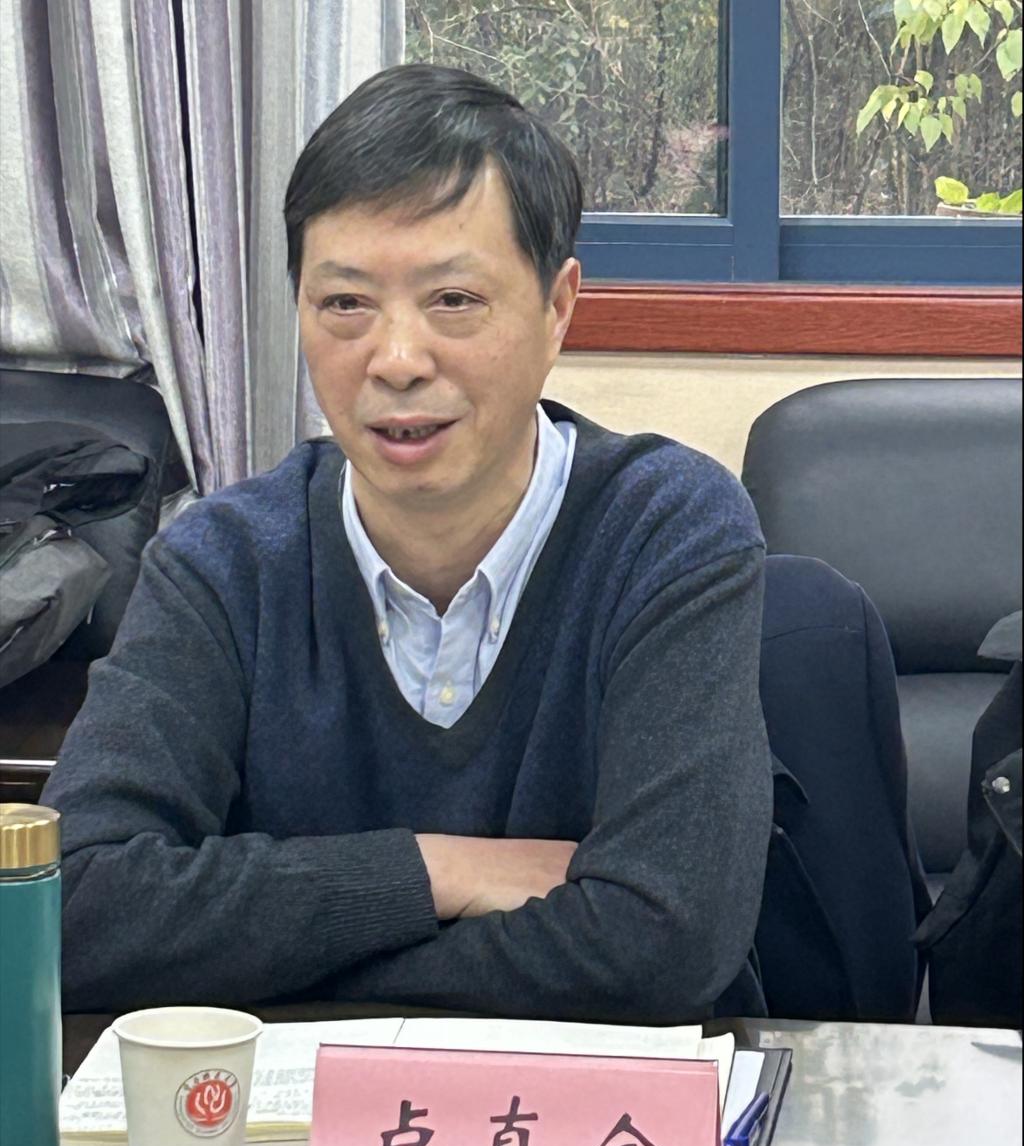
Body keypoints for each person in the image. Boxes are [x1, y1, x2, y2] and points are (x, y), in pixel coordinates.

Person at [44, 64, 772, 1022]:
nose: (394, 360)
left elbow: (663, 944)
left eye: (454, 300)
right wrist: (436, 871)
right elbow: (71, 911)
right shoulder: (223, 560)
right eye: (345, 304)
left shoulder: (667, 530)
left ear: (557, 308)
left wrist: (270, 957)